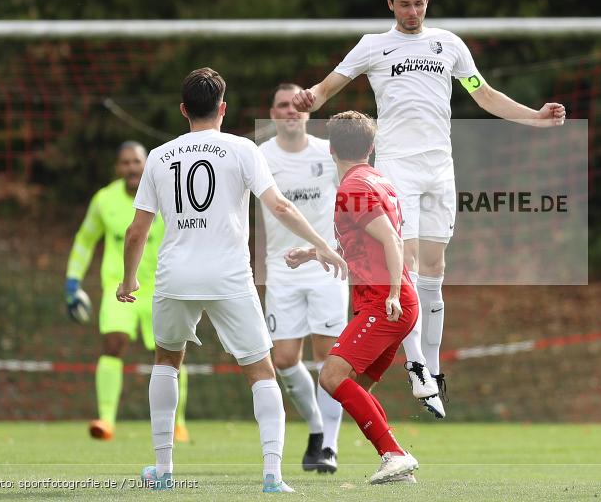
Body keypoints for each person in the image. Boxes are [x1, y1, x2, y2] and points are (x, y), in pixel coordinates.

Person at [292, 0, 566, 417]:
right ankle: (415, 364)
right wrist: (311, 97)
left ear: (427, 2)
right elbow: (327, 87)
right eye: (404, 4)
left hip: (440, 168)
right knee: (409, 262)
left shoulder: (449, 45)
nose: (412, 11)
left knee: (436, 268)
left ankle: (433, 371)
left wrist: (535, 118)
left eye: (418, 3)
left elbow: (484, 93)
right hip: (398, 166)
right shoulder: (373, 45)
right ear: (390, 4)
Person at [116, 68, 347, 493]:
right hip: (229, 275)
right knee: (261, 371)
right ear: (223, 108)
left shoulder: (159, 156)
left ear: (184, 109)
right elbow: (279, 207)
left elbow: (137, 231)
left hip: (175, 276)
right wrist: (323, 245)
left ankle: (164, 470)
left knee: (166, 362)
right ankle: (272, 476)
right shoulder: (242, 149)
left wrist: (129, 279)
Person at [285, 111, 420, 484]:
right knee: (355, 390)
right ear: (372, 146)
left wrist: (392, 292)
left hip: (385, 301)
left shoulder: (353, 187)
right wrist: (314, 253)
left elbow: (392, 241)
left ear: (330, 149)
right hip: (396, 302)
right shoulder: (379, 181)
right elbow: (369, 242)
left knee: (331, 376)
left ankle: (392, 454)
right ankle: (397, 462)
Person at [65, 141, 190, 443]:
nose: (131, 167)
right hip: (118, 287)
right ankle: (105, 421)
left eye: (136, 161)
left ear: (147, 163)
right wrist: (72, 281)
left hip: (162, 287)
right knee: (113, 343)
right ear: (117, 168)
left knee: (170, 354)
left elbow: (188, 235)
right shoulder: (104, 200)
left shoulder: (168, 195)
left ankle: (178, 423)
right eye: (125, 162)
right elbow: (85, 240)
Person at [257, 83, 346, 473]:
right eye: (282, 106)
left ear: (307, 111)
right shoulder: (259, 156)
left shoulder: (327, 153)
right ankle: (314, 428)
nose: (290, 111)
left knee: (328, 359)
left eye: (297, 105)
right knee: (284, 359)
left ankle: (329, 446)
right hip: (280, 270)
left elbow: (353, 202)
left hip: (327, 267)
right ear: (272, 113)